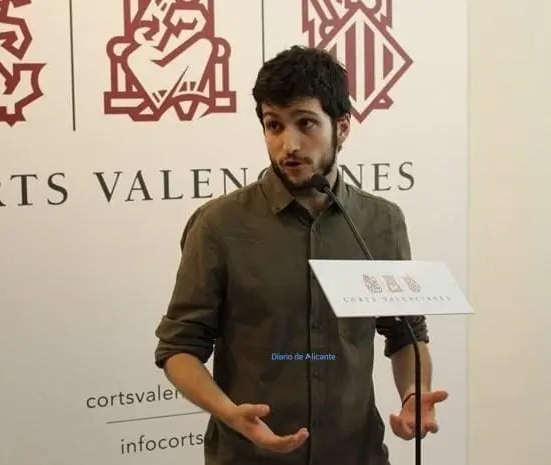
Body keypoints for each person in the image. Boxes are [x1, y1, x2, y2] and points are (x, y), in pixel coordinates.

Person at [153, 45, 448, 465]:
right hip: (249, 458)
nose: (288, 144)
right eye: (274, 125)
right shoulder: (218, 225)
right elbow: (178, 349)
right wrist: (229, 414)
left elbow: (406, 334)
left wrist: (414, 393)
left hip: (357, 455)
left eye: (305, 123)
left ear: (341, 127)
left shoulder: (381, 222)